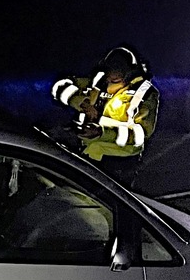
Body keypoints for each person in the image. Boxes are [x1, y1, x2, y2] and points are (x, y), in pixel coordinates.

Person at [51, 45, 159, 184]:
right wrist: (82, 103)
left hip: (117, 164)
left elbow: (140, 134)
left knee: (106, 203)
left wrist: (101, 132)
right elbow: (60, 86)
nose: (109, 82)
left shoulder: (146, 93)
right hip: (86, 152)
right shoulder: (99, 80)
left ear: (130, 73)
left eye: (115, 80)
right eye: (108, 77)